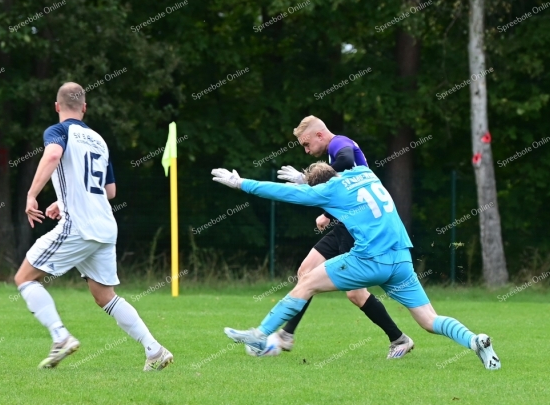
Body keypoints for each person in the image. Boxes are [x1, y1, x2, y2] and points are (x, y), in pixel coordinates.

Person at [211, 162, 500, 370]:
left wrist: (241, 183)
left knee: (307, 281)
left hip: (368, 260)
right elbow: (346, 159)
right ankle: (475, 341)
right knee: (429, 320)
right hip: (400, 260)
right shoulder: (365, 172)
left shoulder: (330, 192)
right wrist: (304, 177)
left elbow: (285, 194)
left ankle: (262, 336)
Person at [13, 81, 173, 371]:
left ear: (57, 107)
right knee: (105, 297)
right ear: (85, 107)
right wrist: (63, 201)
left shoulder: (58, 130)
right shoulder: (99, 139)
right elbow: (109, 190)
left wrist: (32, 194)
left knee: (25, 278)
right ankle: (154, 350)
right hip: (104, 226)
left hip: (80, 226)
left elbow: (52, 155)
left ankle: (60, 337)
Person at [271, 115, 413, 359]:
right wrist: (327, 213)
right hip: (344, 225)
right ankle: (286, 335)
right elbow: (343, 186)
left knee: (356, 294)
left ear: (319, 135)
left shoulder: (339, 143)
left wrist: (307, 180)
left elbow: (345, 161)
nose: (306, 151)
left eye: (306, 144)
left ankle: (399, 339)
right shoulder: (330, 154)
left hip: (357, 229)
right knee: (305, 272)